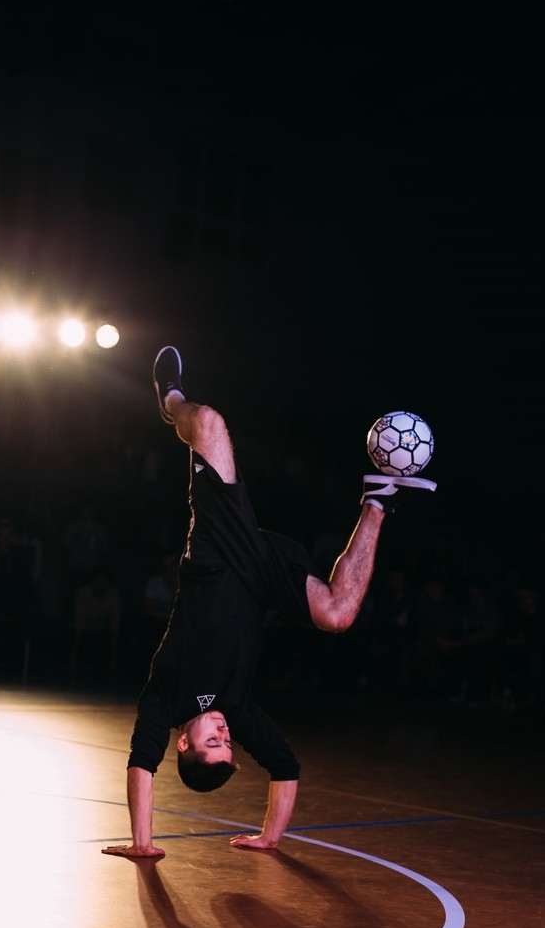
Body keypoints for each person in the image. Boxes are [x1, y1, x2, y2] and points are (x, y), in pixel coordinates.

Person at [102, 346, 436, 860]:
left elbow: (141, 763)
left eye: (213, 742)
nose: (224, 734)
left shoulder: (164, 698)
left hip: (216, 556)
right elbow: (284, 765)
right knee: (338, 615)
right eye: (228, 744)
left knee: (207, 422)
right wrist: (270, 838)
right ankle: (378, 501)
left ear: (184, 744)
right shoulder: (236, 709)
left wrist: (143, 844)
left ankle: (169, 399)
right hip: (262, 576)